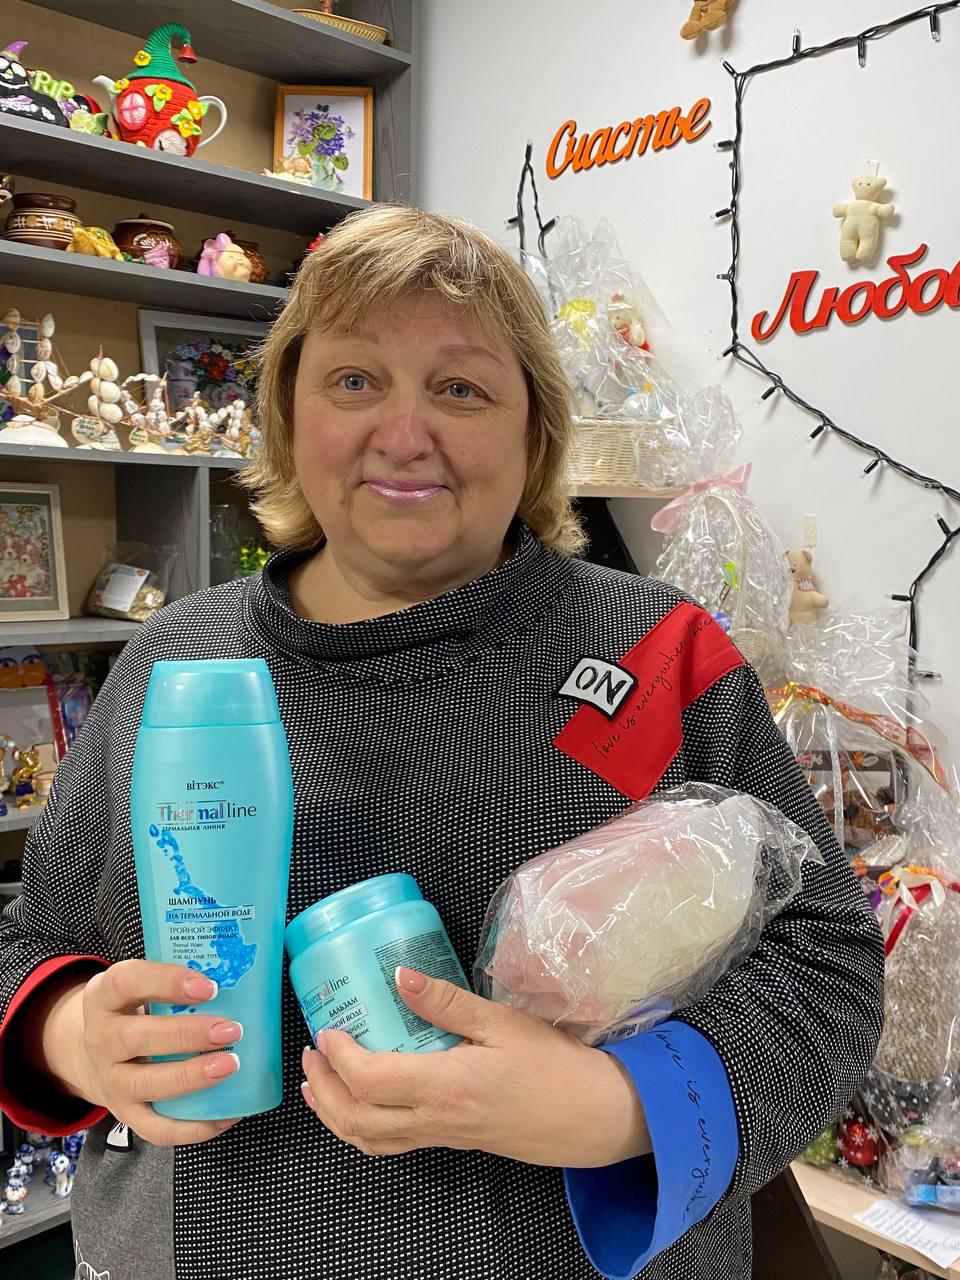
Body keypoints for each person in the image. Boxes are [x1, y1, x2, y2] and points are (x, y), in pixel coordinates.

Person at [0, 206, 883, 1280]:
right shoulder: (178, 665)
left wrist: (615, 1104)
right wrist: (74, 1033)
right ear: (288, 413)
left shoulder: (657, 653)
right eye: (354, 380)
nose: (404, 433)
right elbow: (30, 939)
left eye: (461, 388)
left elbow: (829, 967)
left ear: (534, 431)